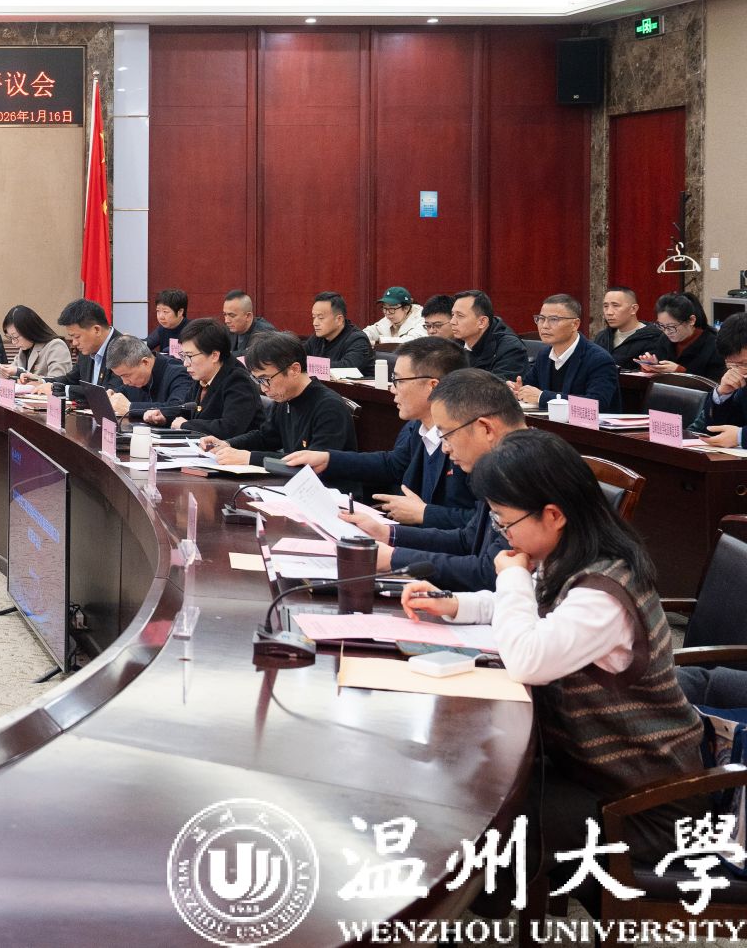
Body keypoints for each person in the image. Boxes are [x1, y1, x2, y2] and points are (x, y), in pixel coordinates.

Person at [401, 430, 705, 865]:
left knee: (474, 816)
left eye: (505, 522)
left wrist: (510, 575)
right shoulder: (572, 557)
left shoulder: (604, 591)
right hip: (590, 772)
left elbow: (528, 658)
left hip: (645, 806)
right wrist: (454, 604)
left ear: (554, 515)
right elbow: (532, 608)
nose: (503, 534)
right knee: (469, 784)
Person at [345, 368, 526, 590]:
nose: (445, 448)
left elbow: (489, 572)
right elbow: (466, 540)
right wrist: (387, 534)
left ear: (486, 428)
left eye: (447, 435)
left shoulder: (527, 472)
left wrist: (394, 559)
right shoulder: (500, 465)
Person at [283, 338, 475, 528]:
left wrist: (424, 514)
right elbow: (393, 465)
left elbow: (480, 524)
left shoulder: (470, 443)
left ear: (432, 386)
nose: (392, 389)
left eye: (398, 381)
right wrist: (328, 459)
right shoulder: (417, 426)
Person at [201, 332, 356, 464]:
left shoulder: (329, 407)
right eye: (258, 380)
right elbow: (265, 438)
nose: (263, 388)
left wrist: (249, 458)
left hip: (327, 488)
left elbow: (312, 464)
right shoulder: (285, 399)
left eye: (266, 379)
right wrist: (228, 444)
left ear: (294, 369)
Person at [153, 319, 265, 437]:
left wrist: (185, 425)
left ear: (214, 356)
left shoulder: (238, 380)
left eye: (190, 356)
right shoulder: (203, 374)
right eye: (183, 356)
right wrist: (165, 417)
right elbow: (186, 411)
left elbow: (229, 428)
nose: (185, 363)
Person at [515, 294, 621, 412]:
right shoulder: (544, 355)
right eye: (541, 318)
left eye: (553, 319)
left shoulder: (599, 359)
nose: (544, 326)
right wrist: (517, 391)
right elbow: (529, 388)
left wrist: (542, 397)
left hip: (590, 424)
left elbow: (596, 404)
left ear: (575, 324)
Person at [101, 333, 197, 420]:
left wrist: (130, 407)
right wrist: (112, 394)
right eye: (120, 376)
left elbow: (178, 407)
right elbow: (122, 392)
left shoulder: (179, 373)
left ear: (145, 362)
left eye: (126, 375)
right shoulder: (133, 379)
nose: (125, 382)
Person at [692, 315, 747, 450]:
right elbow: (715, 429)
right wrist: (723, 394)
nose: (737, 371)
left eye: (743, 364)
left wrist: (740, 436)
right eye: (730, 364)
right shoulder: (741, 383)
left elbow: (736, 434)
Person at [642, 293, 725, 381]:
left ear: (691, 320)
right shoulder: (664, 339)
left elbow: (715, 384)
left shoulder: (714, 345)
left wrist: (681, 372)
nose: (666, 332)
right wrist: (652, 367)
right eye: (661, 325)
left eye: (671, 326)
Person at [451, 289, 528, 381]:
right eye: (452, 315)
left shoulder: (510, 348)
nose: (452, 322)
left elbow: (497, 387)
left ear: (482, 322)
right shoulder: (455, 344)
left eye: (460, 316)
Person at [594, 286, 671, 368]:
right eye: (606, 306)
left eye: (615, 305)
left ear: (633, 309)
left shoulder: (654, 338)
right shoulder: (602, 337)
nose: (609, 312)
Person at [305, 291, 375, 373]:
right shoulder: (318, 337)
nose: (315, 323)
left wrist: (309, 365)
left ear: (339, 319)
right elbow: (299, 357)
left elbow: (347, 368)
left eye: (321, 318)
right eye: (314, 317)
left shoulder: (358, 339)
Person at [1, 306, 73, 382]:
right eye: (10, 337)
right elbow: (13, 371)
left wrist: (19, 372)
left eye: (15, 337)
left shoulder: (56, 345)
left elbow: (58, 381)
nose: (13, 342)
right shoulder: (24, 349)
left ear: (29, 331)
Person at [57, 299, 115, 384]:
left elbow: (111, 390)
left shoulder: (123, 349)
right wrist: (42, 381)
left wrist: (61, 388)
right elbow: (71, 380)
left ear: (96, 330)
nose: (74, 343)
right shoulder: (88, 348)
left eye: (77, 337)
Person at [221, 291, 277, 355]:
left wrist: (226, 355)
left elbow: (253, 355)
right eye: (225, 315)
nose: (226, 321)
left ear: (248, 316)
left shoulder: (265, 333)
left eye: (232, 315)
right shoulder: (229, 330)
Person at [144, 289, 189, 356]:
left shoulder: (192, 329)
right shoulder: (162, 329)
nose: (160, 317)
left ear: (180, 312)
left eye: (165, 312)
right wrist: (131, 341)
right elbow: (147, 344)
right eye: (158, 311)